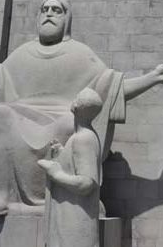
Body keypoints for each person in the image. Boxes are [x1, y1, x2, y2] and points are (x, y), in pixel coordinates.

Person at [0, 0, 163, 216]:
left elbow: (111, 89)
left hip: (63, 117)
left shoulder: (81, 54)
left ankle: (56, 197)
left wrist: (152, 78)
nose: (49, 13)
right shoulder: (23, 53)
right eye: (45, 9)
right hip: (20, 116)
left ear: (67, 19)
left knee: (71, 124)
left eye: (56, 10)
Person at [38, 88, 102, 247]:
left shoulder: (83, 139)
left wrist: (56, 174)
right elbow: (76, 163)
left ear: (78, 106)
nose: (75, 98)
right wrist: (62, 152)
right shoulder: (82, 136)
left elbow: (86, 183)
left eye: (78, 97)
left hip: (74, 228)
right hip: (69, 223)